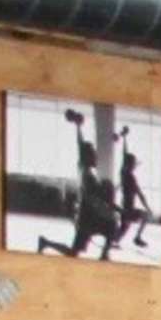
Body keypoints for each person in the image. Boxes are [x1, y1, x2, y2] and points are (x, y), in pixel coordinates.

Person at [62, 108, 108, 257]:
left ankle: (105, 254)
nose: (96, 157)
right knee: (73, 253)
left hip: (88, 216)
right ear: (88, 157)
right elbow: (80, 146)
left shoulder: (87, 170)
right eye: (94, 155)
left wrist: (78, 126)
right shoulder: (85, 170)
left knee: (75, 252)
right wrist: (78, 127)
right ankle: (45, 243)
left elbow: (81, 147)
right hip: (85, 217)